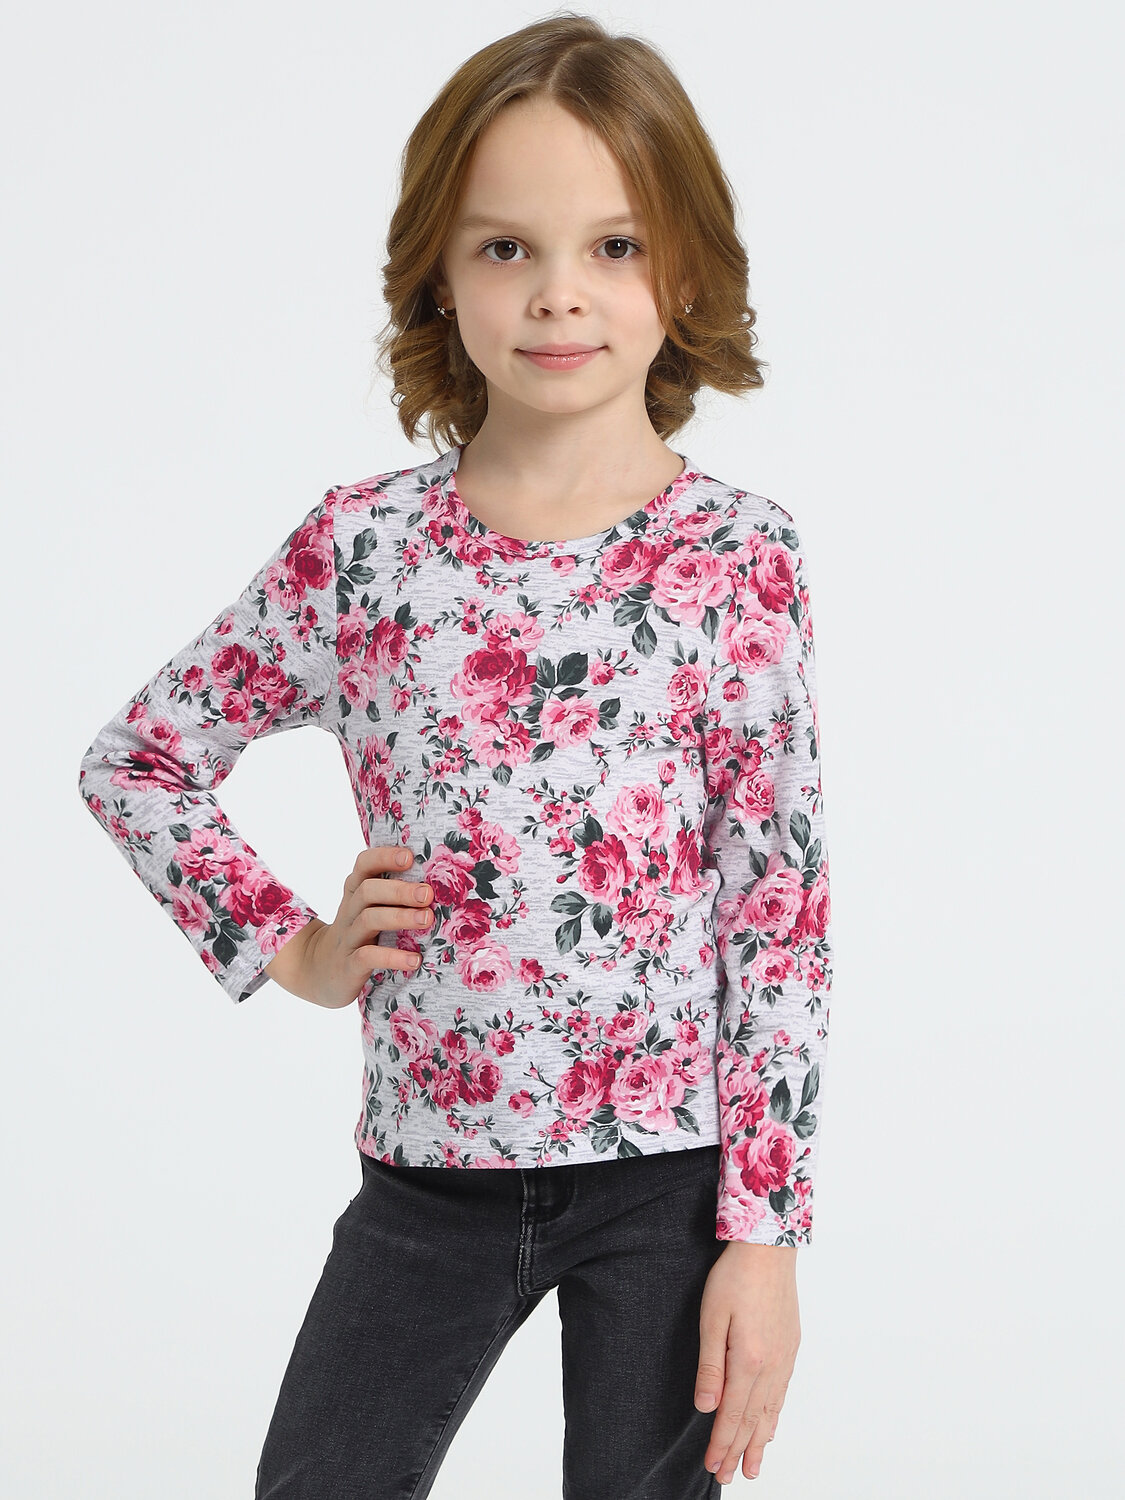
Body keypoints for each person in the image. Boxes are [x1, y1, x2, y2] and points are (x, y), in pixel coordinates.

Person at [77, 13, 833, 1497]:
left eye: (615, 246)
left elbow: (778, 907)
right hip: (428, 1180)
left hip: (670, 1189)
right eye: (505, 247)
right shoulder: (362, 550)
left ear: (683, 272)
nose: (559, 293)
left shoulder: (737, 557)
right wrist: (293, 947)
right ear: (439, 268)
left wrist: (766, 1237)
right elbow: (140, 760)